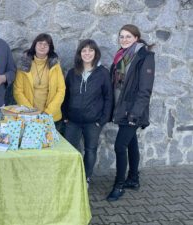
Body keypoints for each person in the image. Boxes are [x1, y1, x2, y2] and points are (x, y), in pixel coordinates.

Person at [106, 24, 155, 201]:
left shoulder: (144, 57)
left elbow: (145, 90)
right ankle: (133, 179)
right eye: (122, 36)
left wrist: (134, 114)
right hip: (122, 108)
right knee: (131, 142)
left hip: (134, 111)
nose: (124, 39)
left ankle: (119, 186)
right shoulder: (121, 56)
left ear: (136, 38)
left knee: (120, 146)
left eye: (128, 36)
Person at [62, 39, 113, 187]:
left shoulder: (103, 73)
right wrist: (65, 116)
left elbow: (108, 97)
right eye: (84, 50)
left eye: (90, 50)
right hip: (72, 120)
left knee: (90, 150)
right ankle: (71, 177)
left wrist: (102, 120)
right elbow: (66, 96)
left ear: (95, 53)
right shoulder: (72, 73)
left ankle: (86, 177)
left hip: (93, 121)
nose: (87, 53)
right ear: (80, 54)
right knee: (70, 150)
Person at [13, 33, 66, 129]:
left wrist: (48, 112)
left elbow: (61, 90)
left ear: (50, 48)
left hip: (51, 116)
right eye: (40, 43)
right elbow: (18, 91)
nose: (43, 46)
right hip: (28, 115)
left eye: (46, 44)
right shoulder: (24, 64)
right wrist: (31, 112)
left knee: (50, 143)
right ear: (35, 45)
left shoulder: (55, 65)